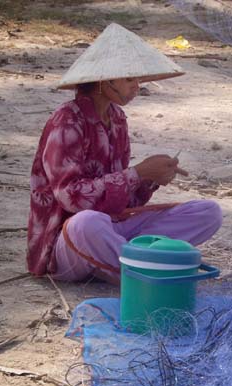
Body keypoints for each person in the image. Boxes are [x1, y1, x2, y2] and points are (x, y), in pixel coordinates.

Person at [27, 23, 222, 284]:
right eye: (130, 79)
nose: (137, 86)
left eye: (137, 79)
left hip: (113, 229)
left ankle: (124, 260)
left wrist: (150, 179)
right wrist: (137, 173)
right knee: (86, 223)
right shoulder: (67, 121)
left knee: (208, 212)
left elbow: (125, 200)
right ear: (104, 80)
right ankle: (141, 273)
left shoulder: (117, 118)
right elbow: (71, 198)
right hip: (69, 241)